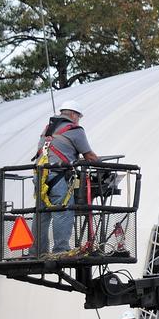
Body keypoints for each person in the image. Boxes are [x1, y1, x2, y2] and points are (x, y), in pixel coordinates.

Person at [33, 100, 99, 254]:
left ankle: (37, 251)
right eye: (78, 116)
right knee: (63, 213)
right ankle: (60, 251)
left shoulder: (47, 129)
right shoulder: (75, 129)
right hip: (58, 177)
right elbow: (89, 156)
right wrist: (102, 163)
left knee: (41, 215)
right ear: (74, 115)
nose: (78, 119)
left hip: (41, 177)